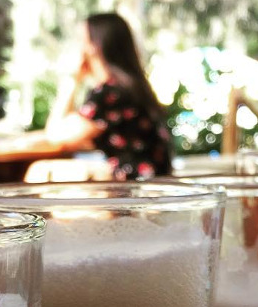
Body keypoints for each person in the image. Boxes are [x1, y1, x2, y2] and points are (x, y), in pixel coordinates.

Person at [45, 13, 172, 181]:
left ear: (93, 47)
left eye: (79, 40)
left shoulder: (109, 94)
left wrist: (72, 79)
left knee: (41, 171)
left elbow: (55, 136)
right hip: (150, 184)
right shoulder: (130, 87)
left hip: (135, 188)